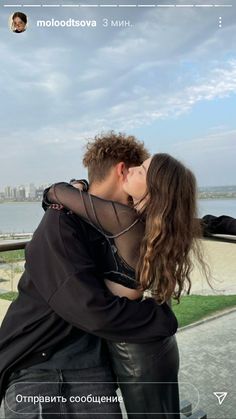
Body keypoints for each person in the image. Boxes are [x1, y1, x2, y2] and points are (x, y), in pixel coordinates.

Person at [0, 133, 178, 418]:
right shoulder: (61, 223)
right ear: (123, 170)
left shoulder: (118, 226)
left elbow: (180, 217)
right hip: (38, 369)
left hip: (91, 368)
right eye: (141, 169)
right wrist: (162, 317)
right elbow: (94, 312)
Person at [44, 152, 210, 418]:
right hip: (151, 346)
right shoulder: (154, 222)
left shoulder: (124, 218)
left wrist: (80, 186)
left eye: (141, 171)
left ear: (156, 191)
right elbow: (194, 221)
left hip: (135, 353)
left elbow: (55, 193)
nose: (131, 170)